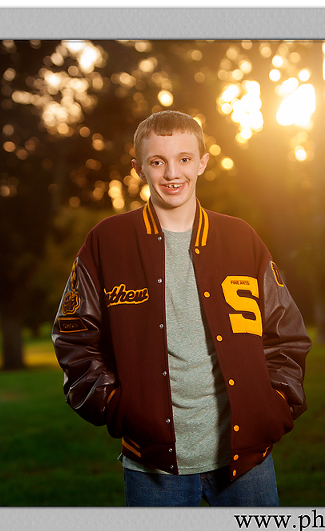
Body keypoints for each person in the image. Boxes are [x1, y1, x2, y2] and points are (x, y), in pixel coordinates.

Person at [52, 110, 311, 507]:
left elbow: (286, 334)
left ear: (203, 162)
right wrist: (117, 407)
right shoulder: (108, 241)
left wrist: (274, 404)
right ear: (139, 168)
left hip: (248, 460)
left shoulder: (241, 238)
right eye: (158, 161)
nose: (173, 173)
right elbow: (74, 336)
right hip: (153, 466)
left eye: (185, 159)